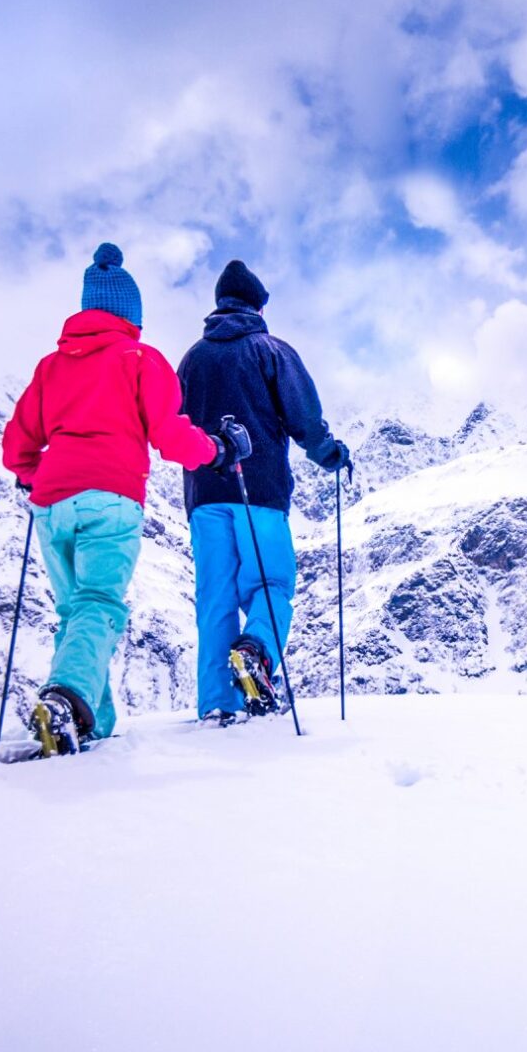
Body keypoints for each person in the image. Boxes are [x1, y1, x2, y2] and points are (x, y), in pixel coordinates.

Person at [2, 243, 235, 755]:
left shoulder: (50, 367)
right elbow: (170, 436)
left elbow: (16, 443)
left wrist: (34, 474)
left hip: (51, 503)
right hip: (111, 497)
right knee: (99, 603)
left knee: (76, 610)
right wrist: (215, 451)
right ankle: (66, 699)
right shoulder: (140, 359)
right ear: (132, 315)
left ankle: (91, 721)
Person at [177, 259, 349, 724]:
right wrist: (329, 453)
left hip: (203, 494)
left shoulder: (192, 358)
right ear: (257, 305)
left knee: (215, 596)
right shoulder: (269, 350)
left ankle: (217, 701)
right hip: (260, 491)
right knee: (270, 583)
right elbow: (304, 418)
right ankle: (256, 653)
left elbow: (174, 422)